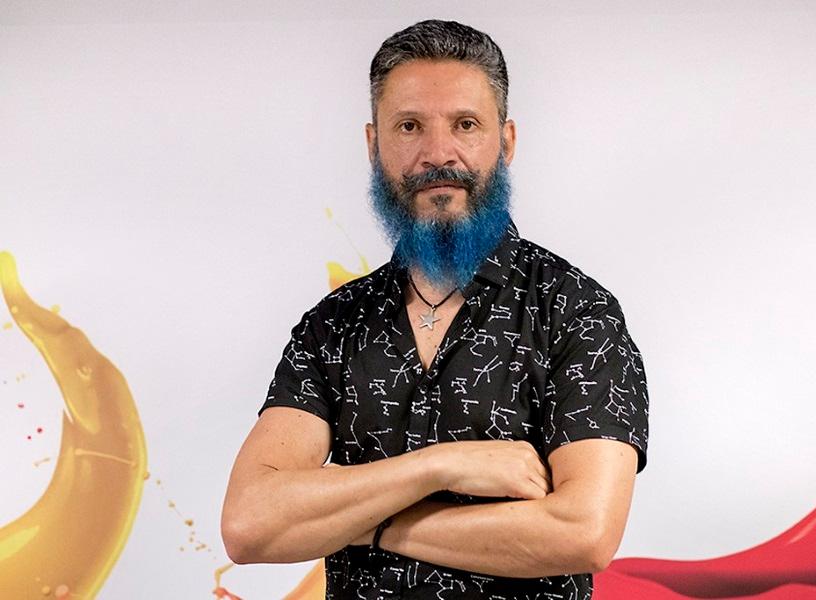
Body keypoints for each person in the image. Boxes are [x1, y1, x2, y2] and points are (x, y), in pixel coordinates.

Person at [221, 19, 649, 598]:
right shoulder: (334, 325)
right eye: (410, 126)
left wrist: (367, 524)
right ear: (374, 145)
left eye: (465, 125)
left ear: (506, 141)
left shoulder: (575, 312)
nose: (438, 154)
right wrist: (439, 465)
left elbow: (584, 534)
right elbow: (249, 523)